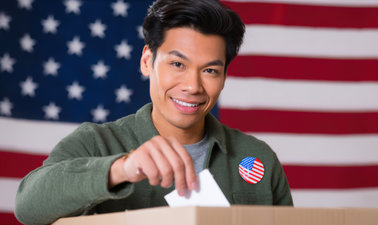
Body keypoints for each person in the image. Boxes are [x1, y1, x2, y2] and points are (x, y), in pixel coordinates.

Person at [14, 0, 293, 224]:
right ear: (148, 61)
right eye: (177, 64)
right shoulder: (97, 142)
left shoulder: (258, 157)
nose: (192, 86)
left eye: (210, 70)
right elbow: (28, 207)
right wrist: (121, 168)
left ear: (224, 76)